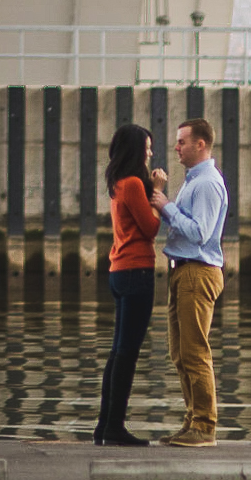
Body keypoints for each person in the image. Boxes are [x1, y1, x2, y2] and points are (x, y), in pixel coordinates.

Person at [149, 117, 228, 446]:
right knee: (180, 353)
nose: (176, 148)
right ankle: (192, 420)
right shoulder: (194, 180)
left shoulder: (207, 183)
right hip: (184, 269)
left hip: (198, 270)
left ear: (201, 144)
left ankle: (205, 426)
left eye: (182, 142)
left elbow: (199, 233)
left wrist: (165, 206)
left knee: (195, 352)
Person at [92, 123, 159, 446]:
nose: (150, 152)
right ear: (136, 150)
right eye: (147, 147)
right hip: (136, 272)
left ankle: (104, 426)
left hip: (119, 271)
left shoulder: (119, 182)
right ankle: (115, 427)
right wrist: (158, 193)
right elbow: (150, 228)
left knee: (118, 352)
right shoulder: (133, 183)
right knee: (127, 353)